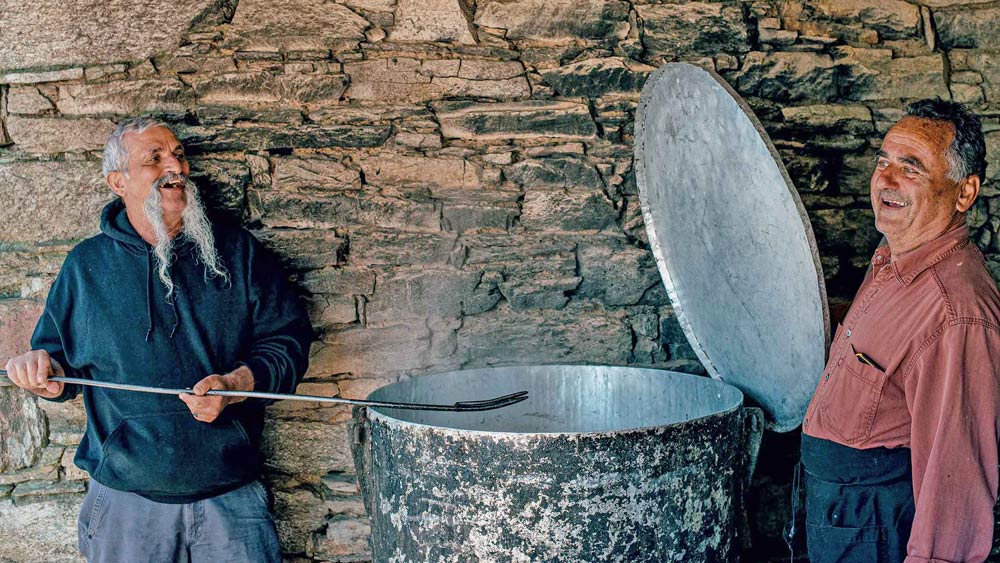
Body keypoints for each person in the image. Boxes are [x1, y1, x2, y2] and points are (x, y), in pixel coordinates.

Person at [3, 117, 313, 562]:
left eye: (179, 155)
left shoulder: (238, 252)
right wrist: (40, 373)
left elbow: (288, 342)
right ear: (118, 182)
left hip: (231, 497)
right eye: (155, 158)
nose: (177, 168)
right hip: (126, 504)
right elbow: (57, 367)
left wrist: (235, 385)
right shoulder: (85, 267)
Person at [800, 98, 999, 562]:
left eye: (911, 168)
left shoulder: (956, 315)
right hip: (846, 518)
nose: (885, 180)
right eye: (883, 162)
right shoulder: (893, 257)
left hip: (877, 530)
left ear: (964, 193)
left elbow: (956, 490)